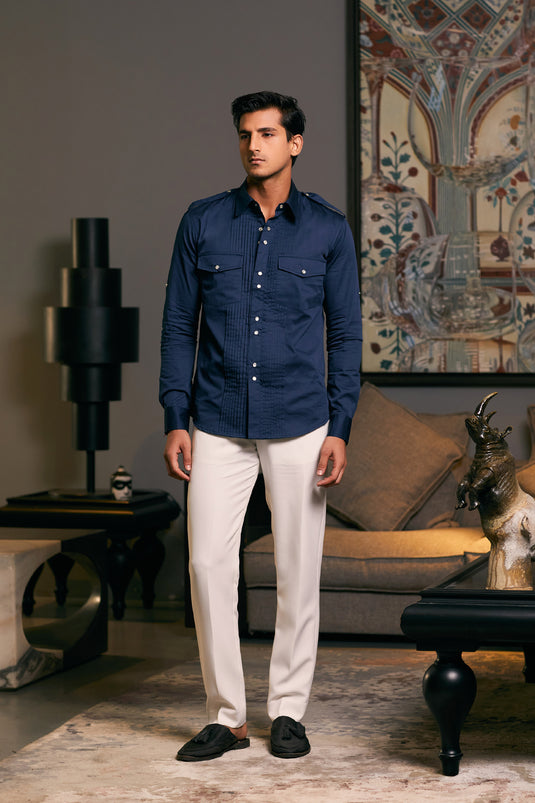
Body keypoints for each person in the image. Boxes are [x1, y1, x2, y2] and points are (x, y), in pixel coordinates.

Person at [160, 90, 362, 762]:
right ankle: (227, 716)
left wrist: (340, 425)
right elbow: (178, 325)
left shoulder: (327, 229)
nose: (254, 145)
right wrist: (175, 415)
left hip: (301, 421)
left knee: (297, 569)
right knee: (206, 565)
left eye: (268, 133)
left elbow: (346, 335)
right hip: (216, 420)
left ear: (295, 143)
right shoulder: (202, 221)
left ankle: (287, 711)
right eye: (246, 134)